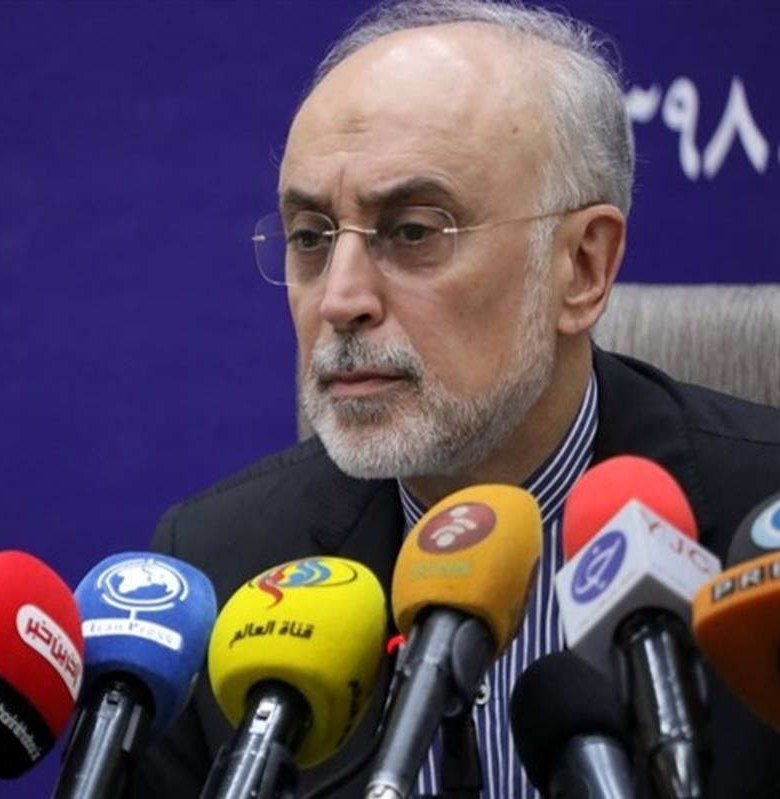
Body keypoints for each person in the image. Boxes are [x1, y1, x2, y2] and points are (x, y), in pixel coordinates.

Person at [130, 1, 780, 797]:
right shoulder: (220, 569)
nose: (340, 299)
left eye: (412, 231)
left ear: (582, 267)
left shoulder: (765, 522)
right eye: (310, 237)